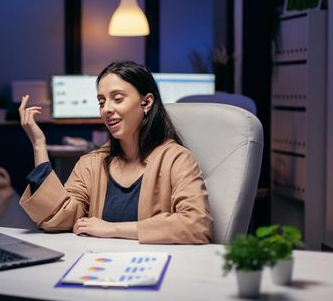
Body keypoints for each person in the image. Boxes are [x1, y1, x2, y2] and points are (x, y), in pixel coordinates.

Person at [18, 61, 213, 244]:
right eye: (101, 102)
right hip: (99, 267)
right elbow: (56, 218)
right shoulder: (92, 163)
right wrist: (39, 145)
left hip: (156, 268)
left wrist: (113, 229)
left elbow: (197, 224)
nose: (107, 109)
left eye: (117, 99)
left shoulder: (176, 159)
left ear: (146, 103)